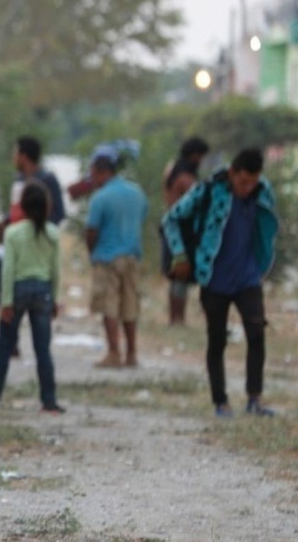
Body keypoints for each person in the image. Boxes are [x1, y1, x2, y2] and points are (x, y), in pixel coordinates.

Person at [161, 149, 278, 418]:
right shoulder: (209, 191)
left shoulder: (262, 191)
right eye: (243, 182)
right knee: (217, 339)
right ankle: (220, 401)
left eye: (253, 182)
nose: (247, 188)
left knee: (257, 333)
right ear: (232, 173)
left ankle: (255, 399)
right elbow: (171, 218)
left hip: (248, 277)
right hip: (213, 277)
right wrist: (179, 254)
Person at [0, 183, 63, 412]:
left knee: (4, 346)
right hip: (43, 291)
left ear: (23, 206)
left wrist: (5, 301)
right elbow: (56, 269)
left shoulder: (13, 232)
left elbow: (8, 270)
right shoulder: (52, 233)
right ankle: (49, 399)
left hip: (18, 290)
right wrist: (55, 298)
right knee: (43, 349)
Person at [84, 146, 148, 368]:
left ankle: (114, 353)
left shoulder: (100, 197)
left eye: (92, 173)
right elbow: (142, 217)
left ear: (102, 171)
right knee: (130, 305)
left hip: (107, 256)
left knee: (109, 306)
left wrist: (91, 252)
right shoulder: (137, 192)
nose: (91, 178)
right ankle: (132, 354)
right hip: (133, 255)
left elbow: (92, 230)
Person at [160, 137, 210, 325]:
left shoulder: (172, 169)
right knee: (180, 274)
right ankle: (177, 319)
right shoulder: (186, 178)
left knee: (177, 276)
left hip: (172, 226)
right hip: (181, 231)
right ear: (195, 155)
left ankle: (176, 318)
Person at [10, 136, 65, 225]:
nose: (13, 157)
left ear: (24, 156)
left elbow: (59, 213)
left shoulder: (48, 180)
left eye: (15, 153)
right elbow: (16, 209)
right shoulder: (19, 179)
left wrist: (41, 229)